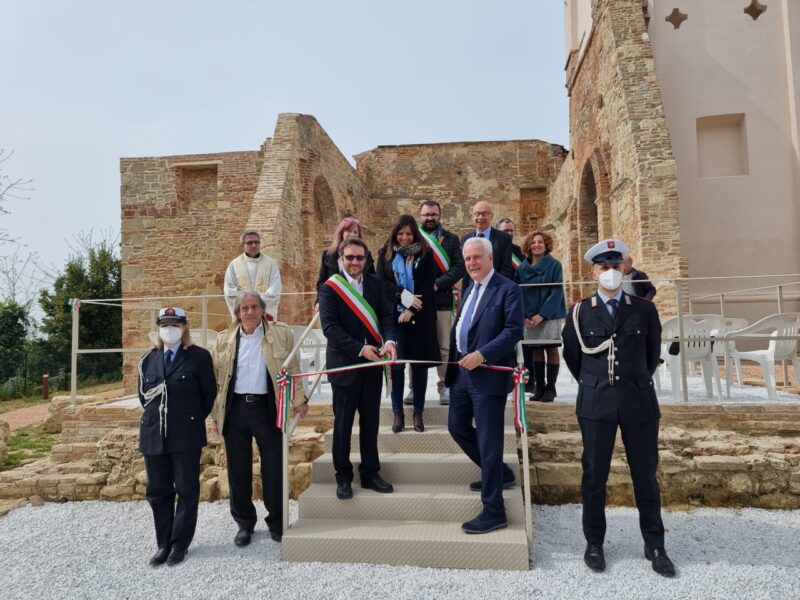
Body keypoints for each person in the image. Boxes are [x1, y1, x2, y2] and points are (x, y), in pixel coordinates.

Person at [562, 239, 675, 577]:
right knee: (594, 477)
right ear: (593, 273)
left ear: (624, 269)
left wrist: (632, 381)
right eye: (603, 267)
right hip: (596, 402)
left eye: (615, 266)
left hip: (638, 400)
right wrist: (597, 383)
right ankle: (594, 543)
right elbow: (574, 357)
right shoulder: (580, 311)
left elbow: (651, 355)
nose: (610, 272)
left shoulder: (644, 309)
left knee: (646, 476)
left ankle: (655, 544)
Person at [210, 291, 307, 547]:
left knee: (274, 468)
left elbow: (293, 368)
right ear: (238, 313)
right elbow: (216, 380)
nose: (250, 312)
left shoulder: (281, 334)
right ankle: (244, 523)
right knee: (238, 470)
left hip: (267, 408)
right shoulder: (224, 340)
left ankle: (276, 522)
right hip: (235, 409)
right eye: (245, 308)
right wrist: (215, 415)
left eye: (254, 307)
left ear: (262, 310)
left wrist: (299, 400)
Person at [445, 237, 524, 534]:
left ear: (490, 258)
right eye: (467, 259)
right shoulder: (469, 288)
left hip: (487, 374)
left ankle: (494, 511)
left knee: (490, 443)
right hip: (462, 373)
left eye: (477, 257)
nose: (472, 263)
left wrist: (482, 354)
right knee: (457, 426)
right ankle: (499, 473)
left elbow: (513, 330)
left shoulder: (508, 289)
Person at [318, 237, 398, 499]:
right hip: (345, 366)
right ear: (341, 259)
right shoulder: (330, 288)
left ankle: (370, 473)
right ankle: (343, 477)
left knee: (371, 422)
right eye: (350, 257)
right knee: (343, 425)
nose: (355, 262)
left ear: (366, 259)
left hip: (372, 365)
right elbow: (330, 328)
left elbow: (386, 316)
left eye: (359, 257)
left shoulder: (375, 283)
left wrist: (389, 341)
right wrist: (360, 349)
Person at [138, 307, 216, 567]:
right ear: (158, 329)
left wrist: (189, 418)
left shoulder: (199, 357)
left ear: (184, 328)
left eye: (174, 324)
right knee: (157, 491)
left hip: (186, 433)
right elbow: (144, 397)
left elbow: (208, 394)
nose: (169, 329)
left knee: (186, 489)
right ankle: (163, 543)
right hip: (154, 433)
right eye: (164, 325)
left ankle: (179, 544)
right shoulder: (148, 359)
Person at [377, 214, 439, 432]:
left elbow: (428, 284)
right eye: (401, 233)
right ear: (395, 233)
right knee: (397, 365)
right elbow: (382, 282)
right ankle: (398, 413)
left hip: (420, 317)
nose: (404, 238)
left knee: (419, 367)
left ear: (415, 235)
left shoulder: (426, 254)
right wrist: (403, 298)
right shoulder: (384, 254)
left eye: (409, 234)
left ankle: (418, 412)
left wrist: (412, 308)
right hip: (395, 318)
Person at [417, 200, 465, 405]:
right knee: (416, 345)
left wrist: (438, 284)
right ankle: (414, 388)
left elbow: (459, 266)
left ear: (439, 216)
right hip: (418, 301)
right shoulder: (413, 237)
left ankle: (445, 386)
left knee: (444, 346)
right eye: (426, 215)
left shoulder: (452, 239)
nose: (430, 218)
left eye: (433, 215)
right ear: (420, 216)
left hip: (442, 298)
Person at [517, 231, 567, 402]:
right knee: (536, 349)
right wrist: (524, 315)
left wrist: (543, 314)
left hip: (549, 314)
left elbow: (556, 291)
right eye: (533, 242)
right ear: (528, 246)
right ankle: (539, 386)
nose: (536, 245)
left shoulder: (554, 265)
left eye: (540, 242)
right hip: (529, 316)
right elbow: (518, 292)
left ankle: (551, 387)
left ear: (546, 245)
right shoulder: (522, 268)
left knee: (551, 348)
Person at [315, 217, 376, 305]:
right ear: (342, 233)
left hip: (360, 303)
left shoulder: (366, 254)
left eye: (355, 232)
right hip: (335, 301)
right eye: (349, 231)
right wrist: (319, 301)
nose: (352, 234)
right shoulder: (328, 255)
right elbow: (321, 283)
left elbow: (373, 279)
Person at [223, 230, 282, 321]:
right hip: (243, 310)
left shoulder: (271, 263)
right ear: (243, 245)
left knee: (265, 330)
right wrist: (247, 304)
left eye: (256, 242)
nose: (254, 245)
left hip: (264, 311)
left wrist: (257, 304)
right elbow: (229, 291)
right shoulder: (234, 265)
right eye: (250, 243)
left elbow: (275, 288)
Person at [461, 201, 514, 289]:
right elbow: (465, 271)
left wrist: (496, 289)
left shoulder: (504, 238)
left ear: (491, 216)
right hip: (473, 289)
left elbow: (506, 268)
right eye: (477, 214)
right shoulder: (465, 239)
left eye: (484, 213)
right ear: (472, 217)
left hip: (495, 288)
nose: (480, 217)